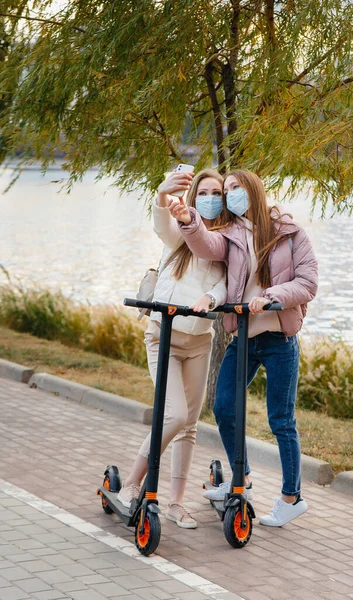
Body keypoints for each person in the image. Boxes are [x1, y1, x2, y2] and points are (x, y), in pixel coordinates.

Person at [169, 169, 318, 527]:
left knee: (281, 420)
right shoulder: (231, 235)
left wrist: (272, 297)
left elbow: (308, 282)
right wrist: (189, 219)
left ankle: (291, 497)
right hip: (244, 338)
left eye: (237, 187)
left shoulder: (290, 233)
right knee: (223, 407)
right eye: (227, 189)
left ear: (254, 189)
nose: (231, 194)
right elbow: (205, 244)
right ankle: (243, 479)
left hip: (280, 337)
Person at [117, 168, 227, 529]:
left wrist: (213, 296)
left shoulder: (227, 241)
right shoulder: (180, 233)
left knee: (189, 425)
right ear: (194, 197)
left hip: (199, 342)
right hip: (163, 335)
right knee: (174, 414)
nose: (211, 199)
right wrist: (163, 195)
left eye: (218, 193)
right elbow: (161, 221)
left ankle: (176, 504)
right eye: (205, 192)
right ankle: (133, 484)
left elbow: (230, 283)